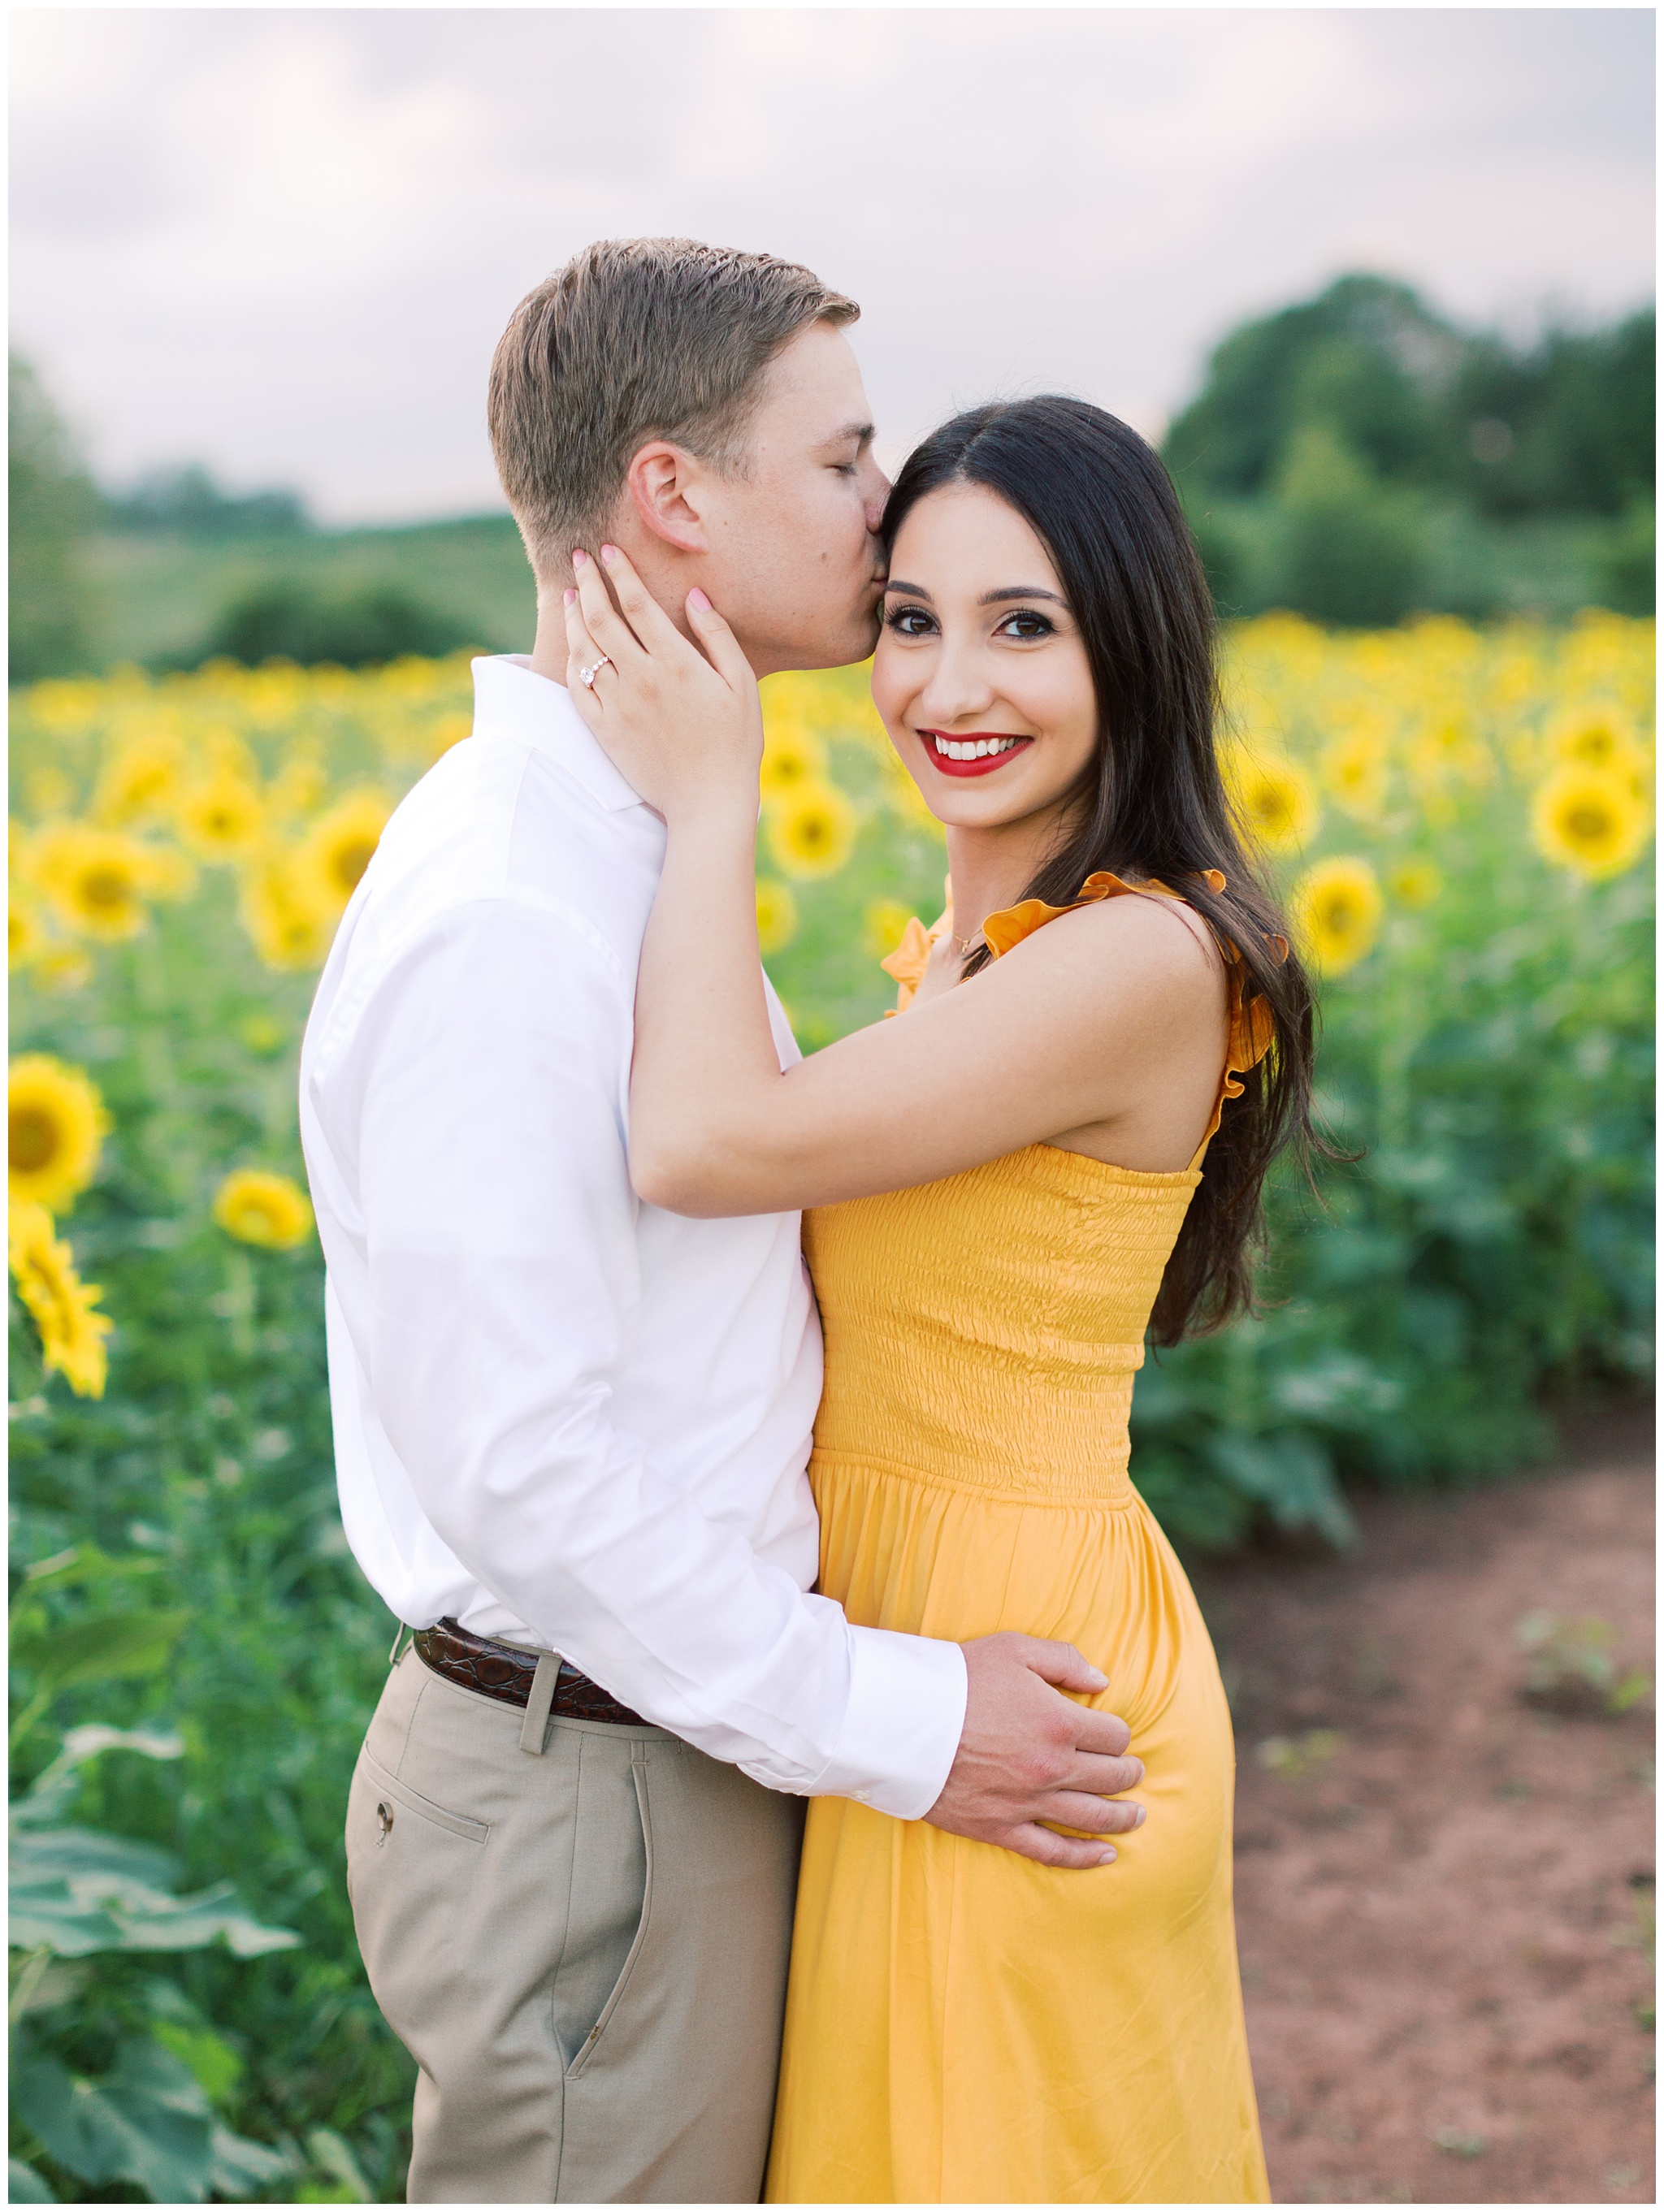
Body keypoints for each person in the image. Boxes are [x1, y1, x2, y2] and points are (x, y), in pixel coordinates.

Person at [298, 241, 1146, 2206]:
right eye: (845, 463)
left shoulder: (628, 851)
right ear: (677, 495)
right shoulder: (511, 912)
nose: (887, 502)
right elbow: (526, 1472)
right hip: (595, 1777)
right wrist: (900, 1719)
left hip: (674, 1741)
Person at [561, 392, 1317, 2203]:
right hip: (902, 1652)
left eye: (1023, 625)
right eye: (911, 619)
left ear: (1131, 644)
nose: (946, 686)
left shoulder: (1141, 956)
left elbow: (698, 1141)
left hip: (1017, 1666)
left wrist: (705, 789)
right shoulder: (990, 951)